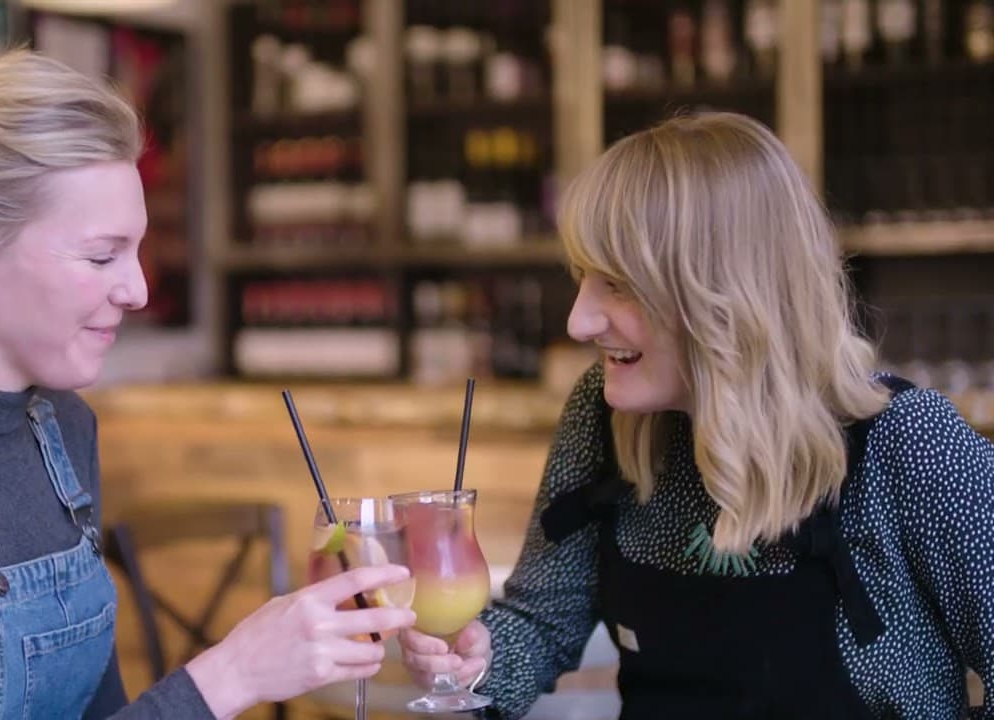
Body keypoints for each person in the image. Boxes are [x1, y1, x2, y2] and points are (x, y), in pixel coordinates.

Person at [0, 49, 415, 720]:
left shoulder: (63, 430)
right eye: (102, 255)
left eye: (135, 252)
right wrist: (231, 674)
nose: (136, 289)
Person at [399, 111, 994, 718]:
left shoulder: (909, 443)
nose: (578, 322)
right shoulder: (604, 418)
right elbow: (542, 617)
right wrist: (474, 663)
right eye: (582, 278)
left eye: (618, 284)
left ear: (724, 293)